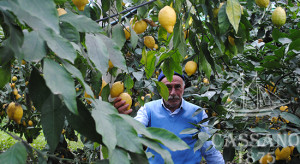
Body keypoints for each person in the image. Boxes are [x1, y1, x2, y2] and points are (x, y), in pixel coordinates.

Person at [114, 72, 225, 164]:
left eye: (177, 87)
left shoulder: (198, 113)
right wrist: (122, 119)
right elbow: (135, 132)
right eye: (167, 87)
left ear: (184, 87)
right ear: (160, 89)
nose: (172, 93)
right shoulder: (148, 110)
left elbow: (210, 150)